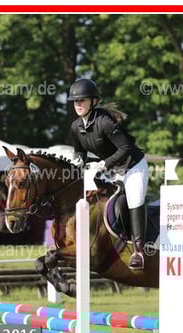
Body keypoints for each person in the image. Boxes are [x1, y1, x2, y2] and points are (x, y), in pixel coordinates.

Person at [68, 78, 149, 270]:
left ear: (93, 101)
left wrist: (103, 164)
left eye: (82, 100)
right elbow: (79, 150)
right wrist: (78, 160)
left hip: (132, 166)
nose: (78, 104)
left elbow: (125, 148)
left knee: (134, 200)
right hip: (111, 170)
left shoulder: (104, 122)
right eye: (75, 101)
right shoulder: (76, 127)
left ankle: (139, 251)